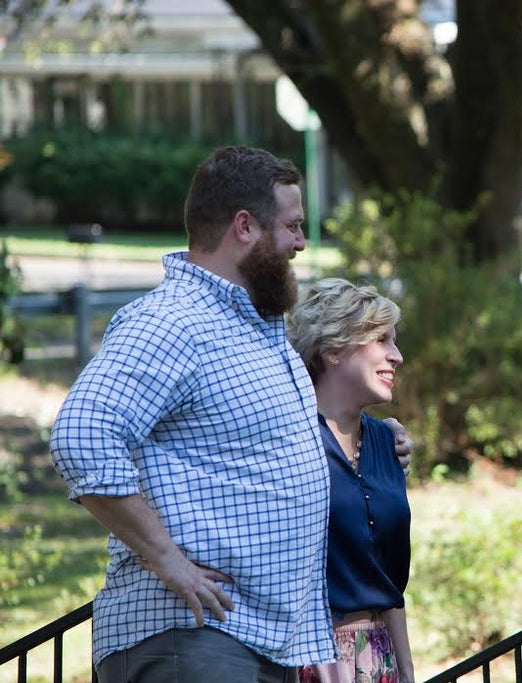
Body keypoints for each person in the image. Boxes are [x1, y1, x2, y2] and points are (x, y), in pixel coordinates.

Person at [49, 146, 410, 683]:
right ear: (245, 226)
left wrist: (380, 441)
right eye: (292, 225)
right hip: (190, 637)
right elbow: (81, 434)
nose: (300, 242)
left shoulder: (256, 331)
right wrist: (166, 559)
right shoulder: (174, 320)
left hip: (256, 640)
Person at [287, 278, 414, 683]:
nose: (397, 356)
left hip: (379, 657)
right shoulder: (292, 440)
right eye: (381, 340)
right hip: (309, 656)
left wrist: (407, 671)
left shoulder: (387, 441)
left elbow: (387, 579)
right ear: (333, 350)